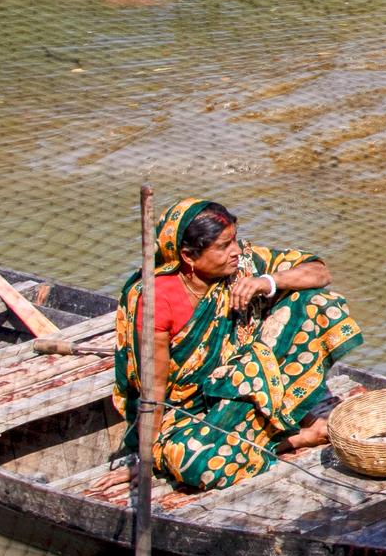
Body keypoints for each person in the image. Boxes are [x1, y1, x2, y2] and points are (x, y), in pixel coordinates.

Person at [96, 197, 363, 499]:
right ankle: (293, 439)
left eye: (234, 240)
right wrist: (145, 459)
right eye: (223, 246)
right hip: (189, 408)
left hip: (241, 378)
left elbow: (319, 272)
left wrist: (268, 282)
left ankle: (261, 426)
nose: (235, 250)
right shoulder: (157, 301)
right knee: (196, 463)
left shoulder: (243, 266)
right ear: (188, 256)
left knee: (319, 304)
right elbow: (154, 389)